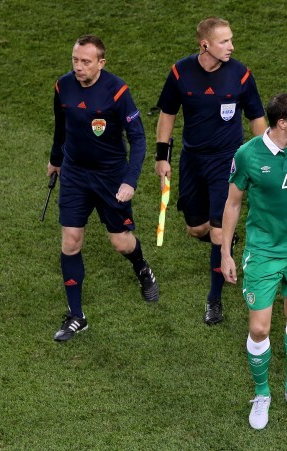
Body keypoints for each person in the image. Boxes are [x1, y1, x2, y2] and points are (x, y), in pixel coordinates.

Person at [221, 93, 287, 430]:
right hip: (264, 253)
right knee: (259, 327)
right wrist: (225, 252)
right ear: (282, 122)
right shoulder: (248, 155)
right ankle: (262, 393)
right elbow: (233, 204)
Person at [155, 16, 266, 325]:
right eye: (224, 41)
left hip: (227, 162)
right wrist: (162, 156)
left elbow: (257, 118)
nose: (231, 46)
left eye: (230, 40)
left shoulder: (241, 75)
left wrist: (268, 156)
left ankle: (214, 299)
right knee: (197, 229)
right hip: (192, 160)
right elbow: (167, 114)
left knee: (218, 235)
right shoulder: (180, 72)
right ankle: (225, 240)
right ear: (205, 45)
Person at [47, 34, 159, 342]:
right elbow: (61, 126)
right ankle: (76, 316)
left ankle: (142, 268)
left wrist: (129, 180)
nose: (78, 67)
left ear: (101, 63)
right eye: (75, 60)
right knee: (70, 241)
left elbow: (138, 139)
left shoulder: (118, 91)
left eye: (85, 62)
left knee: (121, 242)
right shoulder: (63, 86)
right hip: (74, 174)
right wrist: (55, 160)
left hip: (110, 177)